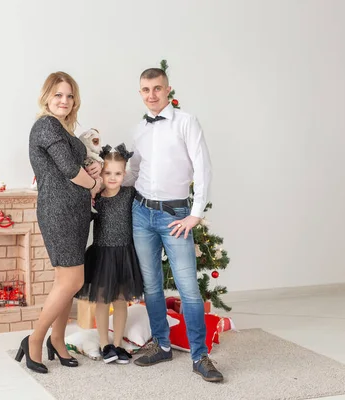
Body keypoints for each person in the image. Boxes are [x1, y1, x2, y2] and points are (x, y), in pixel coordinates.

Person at [124, 68, 223, 382]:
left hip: (175, 216)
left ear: (167, 90)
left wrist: (195, 214)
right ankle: (162, 345)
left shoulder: (186, 122)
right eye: (145, 89)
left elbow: (202, 168)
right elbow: (133, 170)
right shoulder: (139, 128)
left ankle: (199, 356)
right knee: (151, 285)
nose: (151, 95)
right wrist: (106, 182)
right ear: (140, 93)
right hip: (141, 213)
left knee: (189, 289)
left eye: (156, 88)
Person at [17, 71, 102, 374]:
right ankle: (35, 340)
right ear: (47, 97)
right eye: (58, 95)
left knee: (65, 283)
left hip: (75, 212)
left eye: (69, 96)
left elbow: (74, 163)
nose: (64, 100)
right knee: (72, 281)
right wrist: (92, 185)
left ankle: (58, 340)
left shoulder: (63, 129)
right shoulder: (46, 125)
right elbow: (68, 169)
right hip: (59, 211)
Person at [76, 144, 144, 364]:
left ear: (124, 174)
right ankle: (105, 343)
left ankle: (118, 343)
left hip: (124, 255)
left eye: (117, 173)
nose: (112, 178)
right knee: (103, 301)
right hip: (103, 256)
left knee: (122, 300)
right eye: (108, 173)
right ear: (101, 173)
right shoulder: (96, 197)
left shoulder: (130, 194)